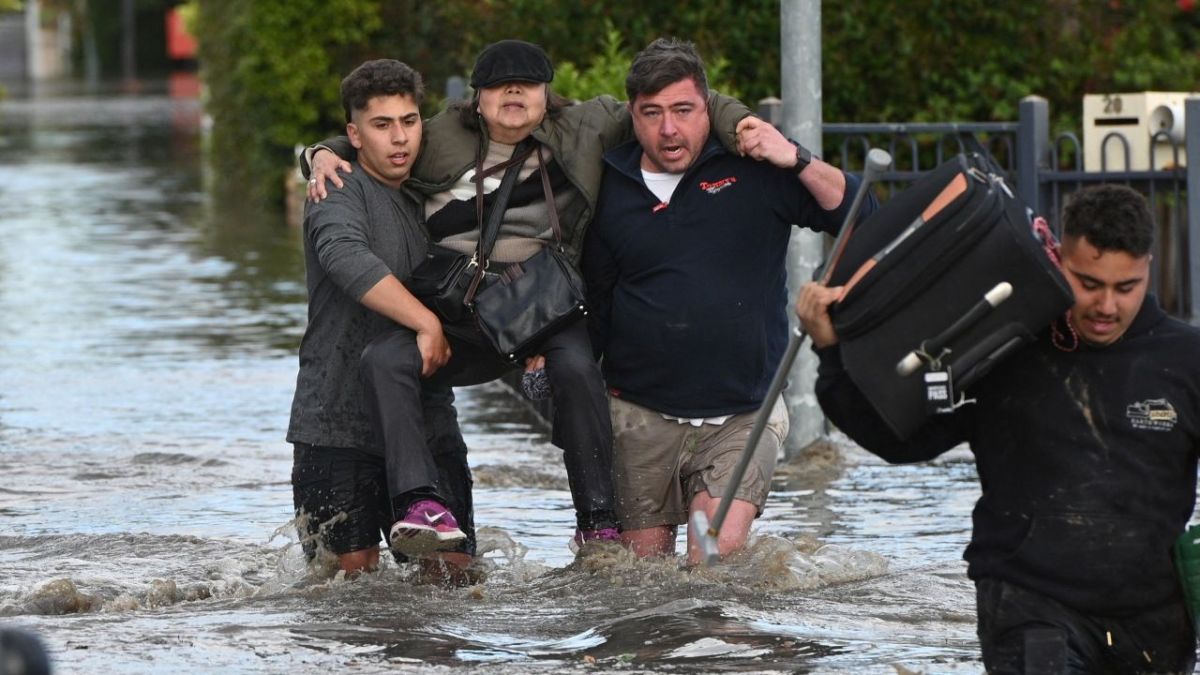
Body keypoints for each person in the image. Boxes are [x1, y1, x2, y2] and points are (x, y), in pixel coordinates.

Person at [304, 39, 754, 552]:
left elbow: (687, 101)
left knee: (579, 368)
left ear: (547, 94)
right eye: (498, 85)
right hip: (458, 309)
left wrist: (743, 125)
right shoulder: (436, 134)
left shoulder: (587, 125)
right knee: (384, 356)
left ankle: (597, 518)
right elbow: (376, 135)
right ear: (477, 98)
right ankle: (417, 501)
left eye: (527, 83)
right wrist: (316, 155)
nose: (513, 92)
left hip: (538, 305)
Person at [796, 183, 1199, 673]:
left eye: (1125, 287)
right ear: (1058, 257)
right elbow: (900, 439)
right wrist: (832, 356)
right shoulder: (1004, 343)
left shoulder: (1186, 359)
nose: (1106, 306)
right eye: (1089, 283)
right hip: (1030, 605)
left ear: (1148, 268)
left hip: (1153, 622)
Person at [582, 37, 875, 565]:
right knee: (638, 582)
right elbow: (597, 301)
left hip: (743, 413)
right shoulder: (609, 181)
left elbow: (859, 212)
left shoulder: (753, 169)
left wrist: (797, 157)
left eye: (683, 111)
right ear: (632, 114)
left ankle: (716, 652)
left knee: (711, 563)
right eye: (652, 113)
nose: (668, 129)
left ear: (707, 108)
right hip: (638, 416)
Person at [287, 59, 473, 578]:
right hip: (336, 420)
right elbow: (346, 257)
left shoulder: (433, 190)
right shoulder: (336, 188)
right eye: (382, 125)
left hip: (428, 414)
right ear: (354, 134)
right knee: (348, 584)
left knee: (455, 574)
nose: (400, 138)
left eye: (409, 122)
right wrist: (425, 323)